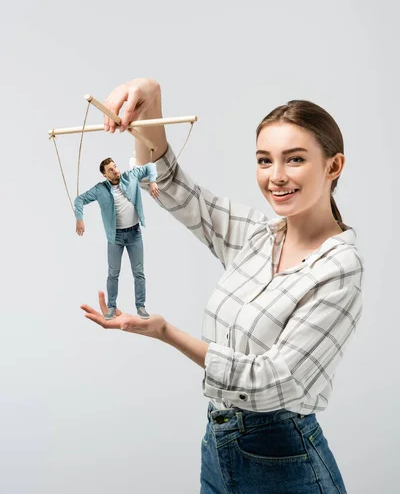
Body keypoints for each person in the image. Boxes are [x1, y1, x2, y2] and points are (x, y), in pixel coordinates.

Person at [81, 78, 363, 493]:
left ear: (333, 166)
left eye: (295, 159)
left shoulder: (339, 267)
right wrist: (152, 99)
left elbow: (275, 381)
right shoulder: (257, 234)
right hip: (218, 447)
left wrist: (165, 333)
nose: (276, 176)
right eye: (264, 161)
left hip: (285, 460)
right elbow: (173, 186)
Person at [74, 153, 160, 320]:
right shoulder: (100, 189)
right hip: (115, 238)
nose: (115, 170)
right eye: (110, 169)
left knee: (139, 272)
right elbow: (79, 200)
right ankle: (112, 307)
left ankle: (140, 306)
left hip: (135, 233)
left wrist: (153, 181)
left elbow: (151, 166)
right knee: (113, 273)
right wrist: (79, 218)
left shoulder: (131, 176)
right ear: (105, 175)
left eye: (115, 166)